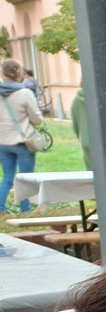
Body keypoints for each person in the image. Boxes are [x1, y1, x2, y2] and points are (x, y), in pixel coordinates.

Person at [0, 57, 44, 213]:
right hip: (22, 140)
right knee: (26, 177)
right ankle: (26, 209)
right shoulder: (24, 93)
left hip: (2, 142)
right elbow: (36, 118)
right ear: (19, 72)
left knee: (7, 177)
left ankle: (0, 208)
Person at [70, 86, 91, 171]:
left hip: (86, 140)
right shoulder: (103, 97)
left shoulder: (76, 100)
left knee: (92, 176)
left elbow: (75, 125)